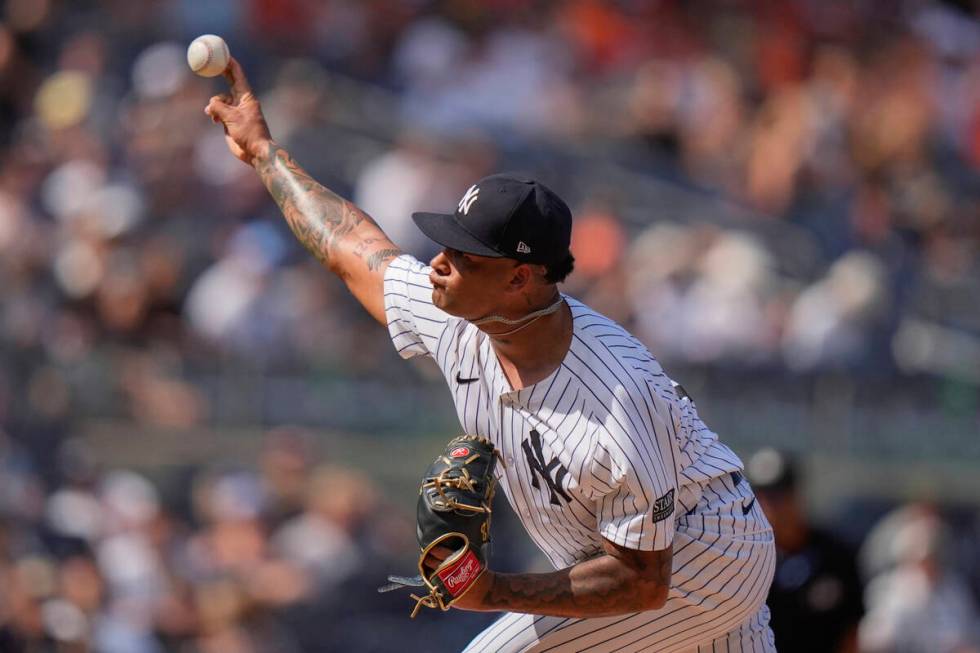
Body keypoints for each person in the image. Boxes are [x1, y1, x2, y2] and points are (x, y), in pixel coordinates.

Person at [203, 58, 777, 653]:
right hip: (642, 561)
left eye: (467, 256)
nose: (439, 264)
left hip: (702, 557)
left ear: (520, 279)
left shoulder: (616, 396)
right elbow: (353, 248)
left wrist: (489, 589)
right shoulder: (462, 320)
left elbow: (641, 581)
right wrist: (265, 153)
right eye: (447, 244)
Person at [746, 448, 864, 653]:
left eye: (777, 495)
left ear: (795, 495)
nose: (770, 505)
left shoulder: (835, 554)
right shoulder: (745, 558)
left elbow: (852, 630)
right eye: (760, 496)